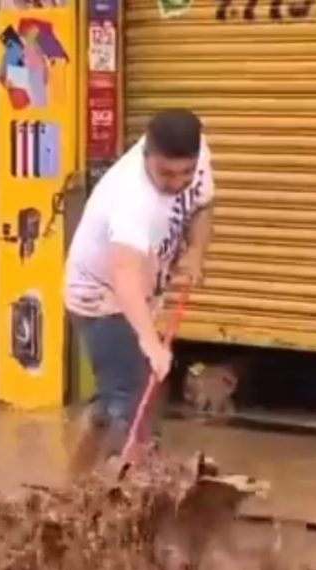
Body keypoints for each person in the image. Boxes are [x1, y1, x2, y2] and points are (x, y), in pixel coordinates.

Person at [65, 108, 215, 473]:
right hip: (101, 298)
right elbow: (125, 274)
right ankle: (124, 493)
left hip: (140, 293)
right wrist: (149, 342)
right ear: (146, 153)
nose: (177, 182)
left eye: (186, 172)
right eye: (165, 173)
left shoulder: (197, 155)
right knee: (133, 401)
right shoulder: (131, 200)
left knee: (118, 394)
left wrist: (196, 251)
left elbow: (203, 204)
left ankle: (78, 481)